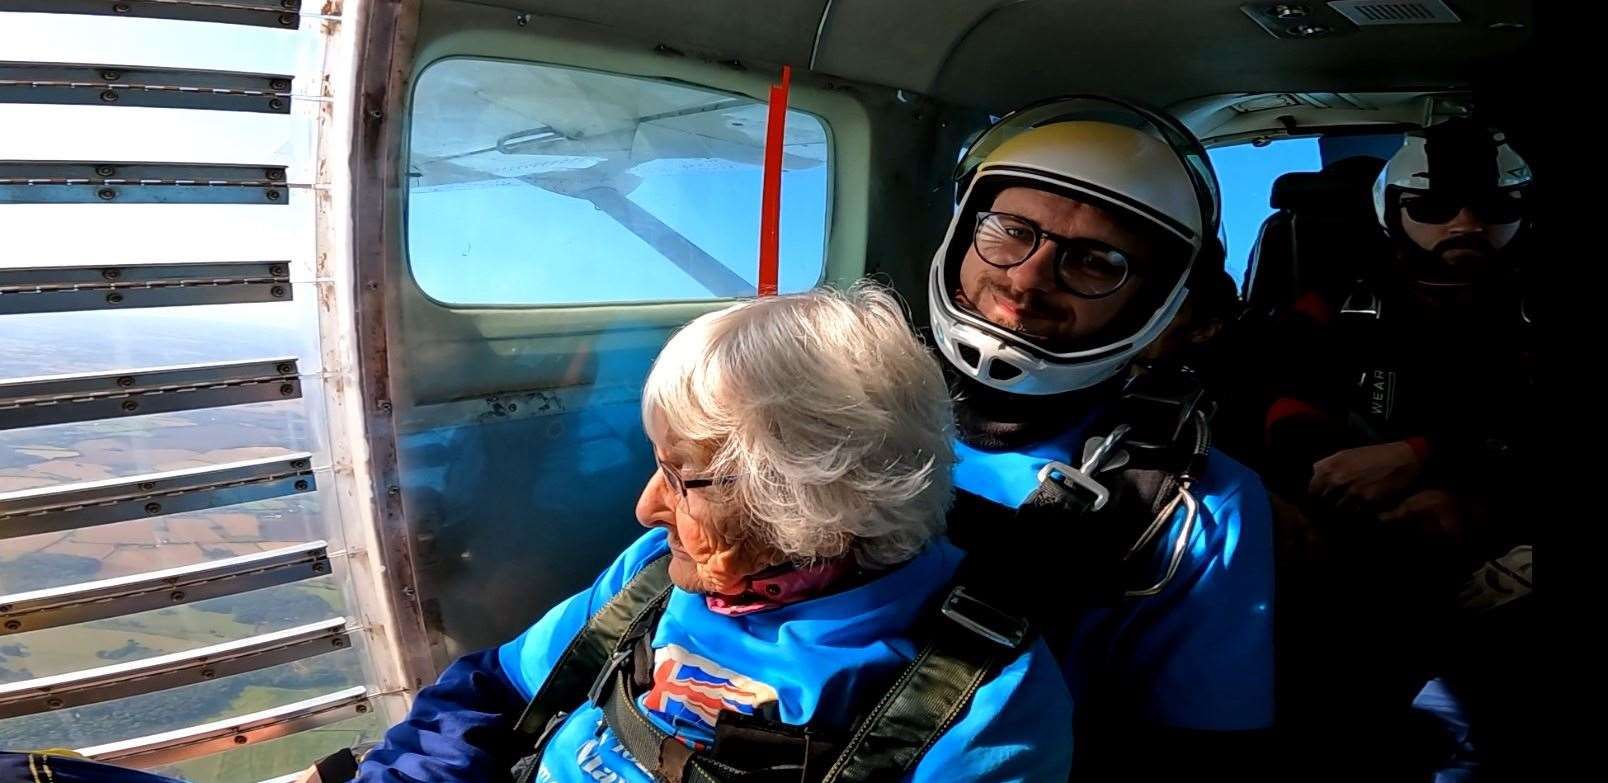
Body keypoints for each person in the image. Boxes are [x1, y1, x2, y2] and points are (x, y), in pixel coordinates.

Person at [354, 285, 1075, 783]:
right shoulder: (655, 570)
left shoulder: (983, 701)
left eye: (680, 476)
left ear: (806, 498)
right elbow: (491, 687)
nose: (645, 508)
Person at [923, 97, 1276, 776]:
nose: (1026, 279)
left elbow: (1195, 757)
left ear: (1155, 302)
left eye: (1096, 261)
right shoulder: (833, 397)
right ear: (963, 232)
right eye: (1007, 229)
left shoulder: (1197, 508)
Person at [1258, 118, 1537, 779]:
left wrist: (1433, 460)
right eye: (1435, 206)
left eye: (1494, 208)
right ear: (1394, 211)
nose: (1466, 224)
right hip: (1358, 557)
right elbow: (1282, 407)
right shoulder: (1337, 303)